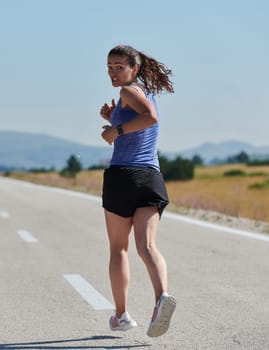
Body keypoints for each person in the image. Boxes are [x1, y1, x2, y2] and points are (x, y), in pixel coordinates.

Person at [100, 44, 176, 338]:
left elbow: (150, 118)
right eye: (109, 66)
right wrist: (114, 118)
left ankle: (121, 316)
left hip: (123, 177)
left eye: (119, 66)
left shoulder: (128, 92)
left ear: (135, 68)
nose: (113, 72)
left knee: (120, 248)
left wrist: (114, 131)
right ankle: (162, 298)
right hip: (150, 178)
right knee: (147, 246)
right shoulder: (143, 93)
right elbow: (143, 122)